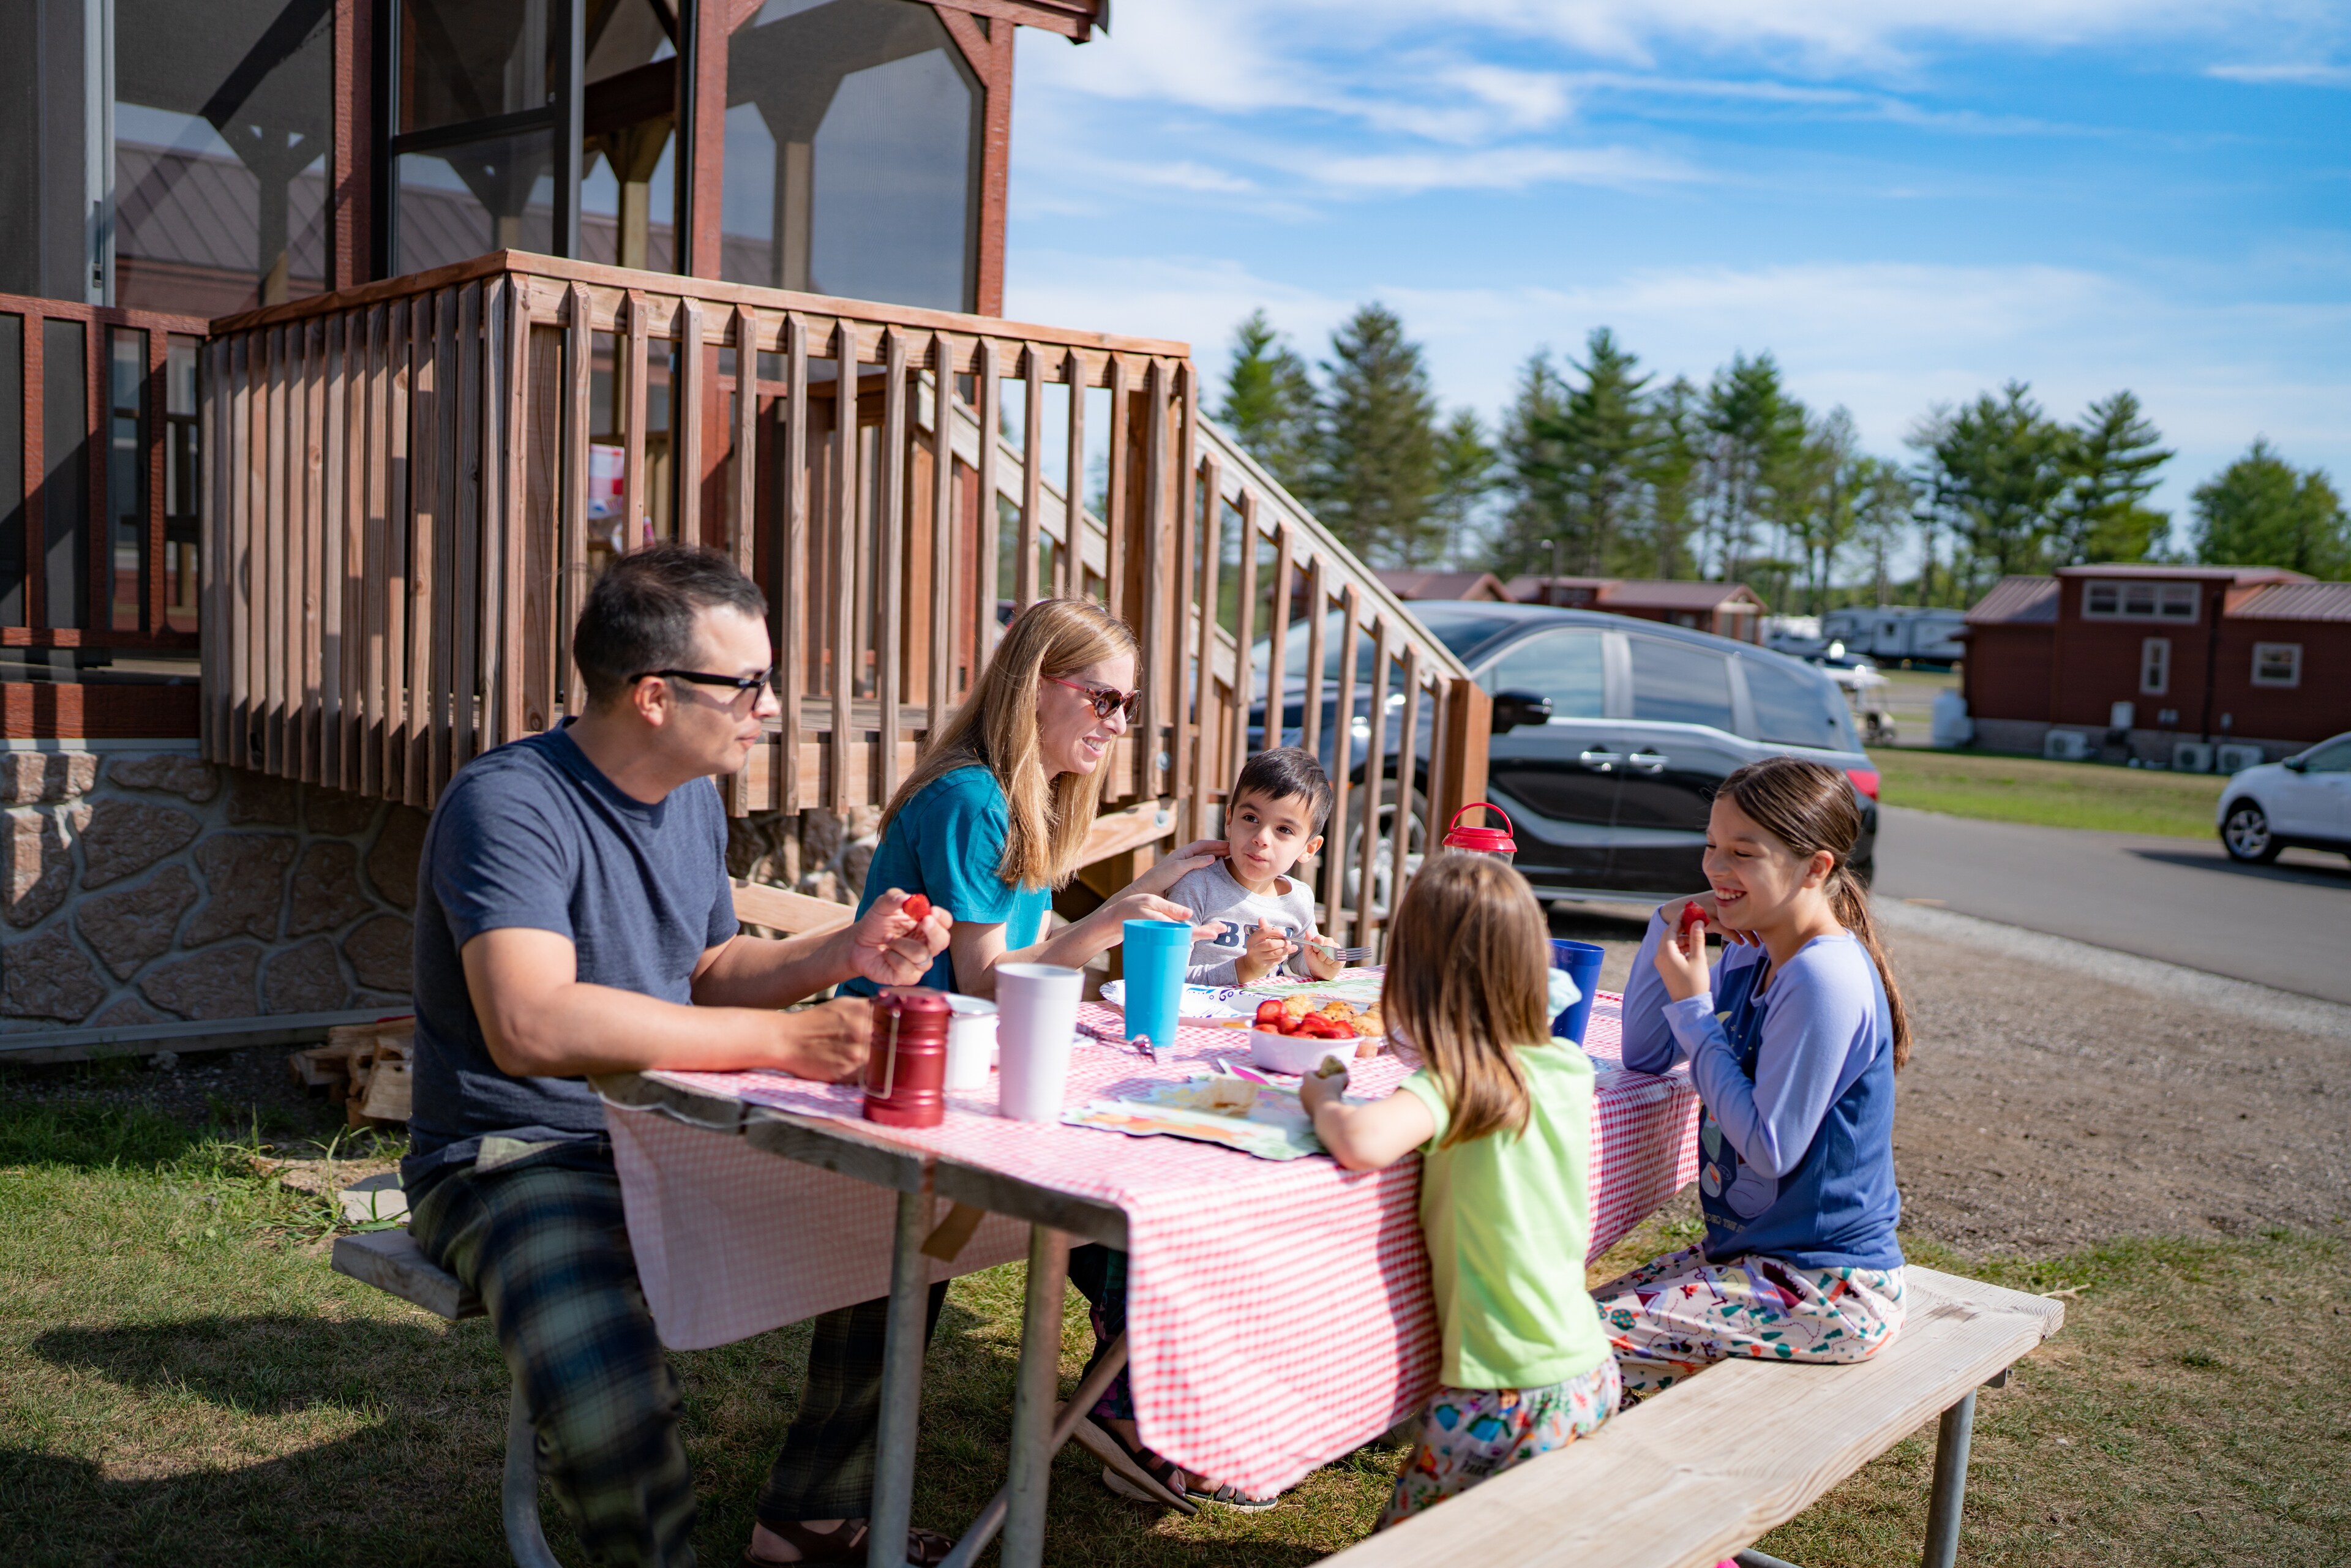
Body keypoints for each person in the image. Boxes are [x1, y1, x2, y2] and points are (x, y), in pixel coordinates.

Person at [401, 544, 955, 1568]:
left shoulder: (693, 795)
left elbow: (703, 968)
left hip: (661, 1126)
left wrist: (845, 950)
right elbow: (530, 1024)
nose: (770, 707)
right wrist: (789, 1043)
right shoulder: (508, 803)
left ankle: (813, 1514)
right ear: (655, 695)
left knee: (903, 1223)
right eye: (747, 684)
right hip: (514, 1153)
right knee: (617, 1400)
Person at [1299, 852, 1619, 1526]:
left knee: (1405, 1546)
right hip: (1585, 1366)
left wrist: (1323, 1097)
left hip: (1503, 1391)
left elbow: (1362, 1143)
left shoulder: (1458, 1083)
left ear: (1417, 981)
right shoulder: (1564, 1064)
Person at [1595, 755, 1909, 1403]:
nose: (1716, 867)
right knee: (1557, 1331)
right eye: (1711, 845)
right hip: (1753, 1261)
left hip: (1827, 1289)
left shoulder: (1823, 976)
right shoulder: (1753, 951)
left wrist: (1694, 1011)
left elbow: (1769, 1146)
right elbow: (1644, 1052)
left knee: (1568, 1352)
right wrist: (1668, 921)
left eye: (1743, 851)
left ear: (1815, 867)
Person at [1167, 747, 1347, 987]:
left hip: (1265, 1020)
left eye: (1284, 829)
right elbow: (1166, 977)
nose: (1261, 837)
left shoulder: (1299, 899)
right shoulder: (1198, 886)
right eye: (1251, 818)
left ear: (1309, 848)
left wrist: (1317, 964)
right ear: (1230, 820)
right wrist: (1246, 968)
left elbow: (1294, 962)